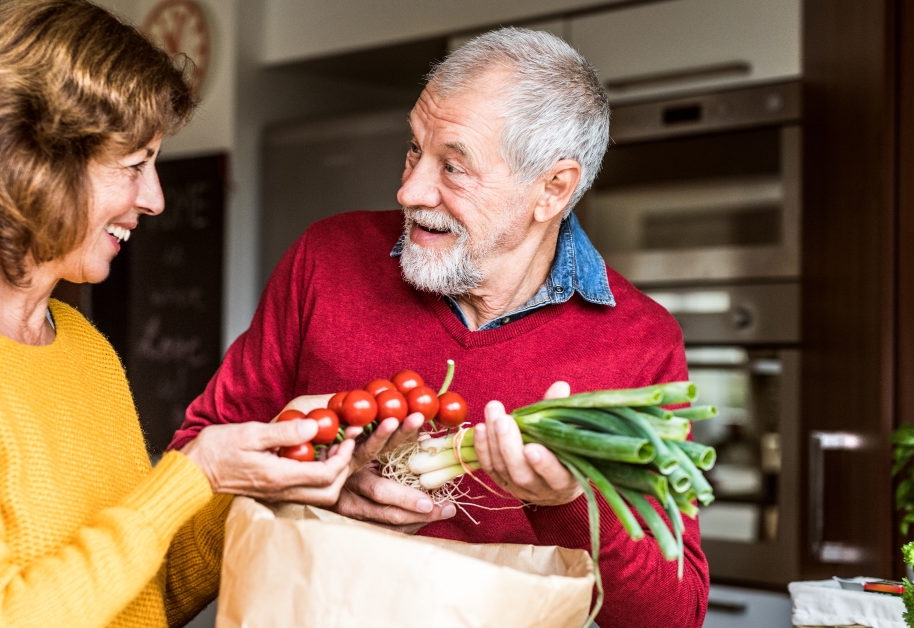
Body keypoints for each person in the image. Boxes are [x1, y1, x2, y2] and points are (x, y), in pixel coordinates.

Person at [0, 2, 355, 627]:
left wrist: (261, 483)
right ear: (30, 160)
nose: (154, 200)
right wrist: (192, 471)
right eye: (133, 165)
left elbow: (146, 596)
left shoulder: (83, 346)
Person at [172, 27, 708, 628]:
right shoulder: (327, 259)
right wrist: (306, 485)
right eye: (413, 150)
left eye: (453, 167)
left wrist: (566, 504)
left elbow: (673, 618)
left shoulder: (638, 343)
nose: (409, 189)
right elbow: (193, 467)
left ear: (552, 190)